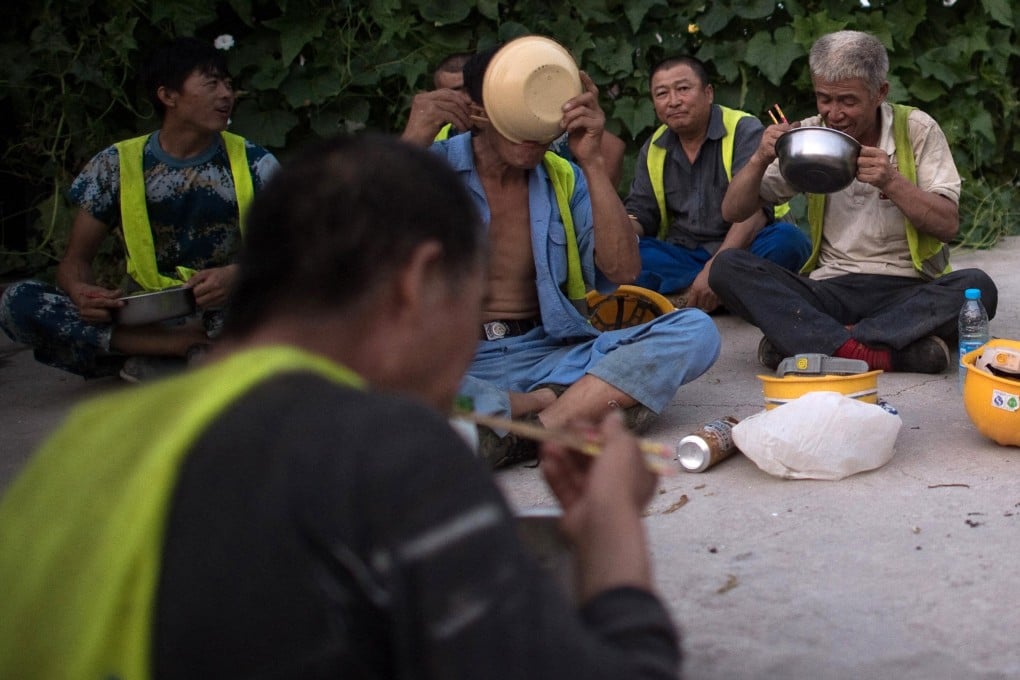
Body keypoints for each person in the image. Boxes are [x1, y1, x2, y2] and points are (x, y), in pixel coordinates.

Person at [0, 134, 681, 679]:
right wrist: (611, 527)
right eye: (467, 305)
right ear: (415, 285)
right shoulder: (388, 449)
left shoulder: (75, 444)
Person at [427, 44, 721, 467]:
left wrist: (593, 161)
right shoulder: (427, 169)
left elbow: (623, 270)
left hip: (551, 353)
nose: (534, 132)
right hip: (456, 363)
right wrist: (412, 141)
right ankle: (565, 407)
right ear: (477, 110)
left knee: (696, 330)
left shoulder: (563, 174)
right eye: (517, 114)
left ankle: (528, 432)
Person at [709, 30, 997, 373]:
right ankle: (882, 351)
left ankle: (815, 343)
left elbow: (948, 225)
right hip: (829, 290)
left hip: (907, 290)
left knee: (977, 287)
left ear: (880, 92)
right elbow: (733, 210)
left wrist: (892, 180)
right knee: (727, 267)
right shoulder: (811, 137)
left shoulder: (917, 129)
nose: (834, 113)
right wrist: (759, 158)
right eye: (824, 99)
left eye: (847, 100)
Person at [0, 37, 279, 382]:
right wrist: (82, 294)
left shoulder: (255, 161)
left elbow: (300, 249)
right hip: (150, 315)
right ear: (168, 96)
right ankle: (180, 348)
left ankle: (155, 358)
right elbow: (76, 260)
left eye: (228, 85)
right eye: (212, 84)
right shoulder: (116, 164)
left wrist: (237, 275)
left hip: (233, 311)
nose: (226, 94)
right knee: (19, 301)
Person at [625, 56, 811, 312]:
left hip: (743, 248)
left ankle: (694, 295)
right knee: (631, 255)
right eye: (661, 93)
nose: (673, 101)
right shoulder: (655, 146)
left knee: (790, 241)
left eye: (682, 89)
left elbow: (753, 214)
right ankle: (731, 295)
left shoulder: (742, 129)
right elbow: (640, 211)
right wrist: (621, 234)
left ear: (708, 93)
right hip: (686, 255)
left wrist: (714, 271)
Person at [403, 47, 630, 188]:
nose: (461, 100)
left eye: (465, 89)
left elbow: (611, 149)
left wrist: (590, 216)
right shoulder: (436, 147)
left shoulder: (549, 130)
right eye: (449, 93)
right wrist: (412, 140)